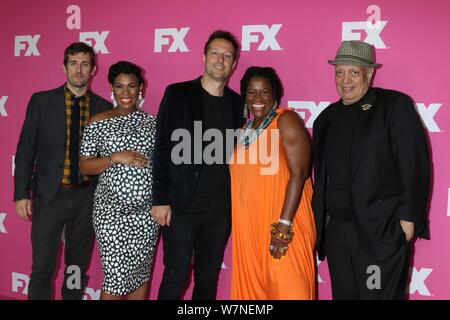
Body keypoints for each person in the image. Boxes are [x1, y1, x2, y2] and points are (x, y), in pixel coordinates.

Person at [312, 40, 430, 299]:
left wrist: (408, 220)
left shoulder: (393, 106)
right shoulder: (326, 118)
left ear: (369, 73)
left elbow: (414, 163)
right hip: (338, 233)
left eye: (354, 72)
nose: (345, 80)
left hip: (379, 233)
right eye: (339, 72)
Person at [13, 42, 112, 300]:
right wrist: (21, 193)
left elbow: (106, 159)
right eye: (73, 63)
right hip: (49, 197)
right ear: (64, 67)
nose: (79, 69)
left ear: (93, 70)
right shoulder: (41, 102)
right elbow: (26, 149)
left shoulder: (103, 109)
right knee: (43, 267)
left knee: (76, 268)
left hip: (86, 200)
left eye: (85, 64)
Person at [151, 30, 243, 300]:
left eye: (227, 56)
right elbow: (162, 149)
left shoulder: (238, 103)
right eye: (215, 53)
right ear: (204, 57)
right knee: (176, 275)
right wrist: (160, 199)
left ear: (234, 64)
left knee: (208, 277)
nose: (220, 59)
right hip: (181, 206)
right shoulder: (178, 94)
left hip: (220, 209)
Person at [229, 66, 316, 300]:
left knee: (289, 289)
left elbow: (300, 173)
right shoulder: (241, 132)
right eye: (251, 92)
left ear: (275, 95)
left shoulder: (285, 120)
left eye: (264, 92)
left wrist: (284, 225)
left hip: (283, 225)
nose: (257, 98)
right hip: (249, 230)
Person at [79, 61, 159, 300]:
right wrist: (114, 158)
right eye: (119, 86)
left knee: (140, 276)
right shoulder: (98, 122)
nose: (126, 92)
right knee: (115, 279)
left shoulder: (154, 123)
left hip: (146, 216)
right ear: (111, 89)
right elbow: (84, 166)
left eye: (132, 86)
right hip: (111, 215)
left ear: (141, 88)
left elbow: (162, 167)